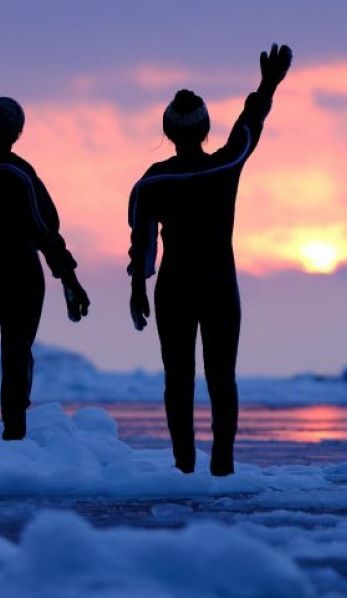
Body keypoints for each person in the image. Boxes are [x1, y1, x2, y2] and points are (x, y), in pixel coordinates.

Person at [128, 43, 292, 475]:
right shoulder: (224, 166)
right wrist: (268, 83)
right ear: (204, 128)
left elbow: (142, 242)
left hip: (175, 286)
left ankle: (184, 465)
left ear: (167, 129)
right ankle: (222, 465)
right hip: (219, 284)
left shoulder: (153, 182)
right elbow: (249, 125)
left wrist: (137, 289)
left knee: (177, 378)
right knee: (222, 377)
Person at [0, 29, 90, 441]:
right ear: (18, 132)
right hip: (20, 276)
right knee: (16, 354)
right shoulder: (20, 173)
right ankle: (14, 432)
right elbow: (47, 231)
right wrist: (70, 281)